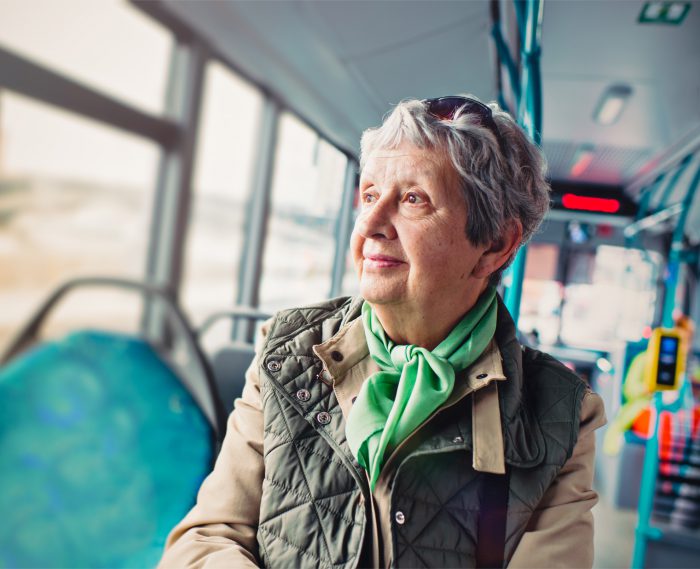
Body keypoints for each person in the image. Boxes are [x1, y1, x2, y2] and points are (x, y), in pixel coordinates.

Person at [159, 96, 606, 568]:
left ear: (495, 244)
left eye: (414, 199)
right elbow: (207, 537)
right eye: (369, 194)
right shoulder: (286, 350)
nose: (370, 223)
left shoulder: (559, 414)